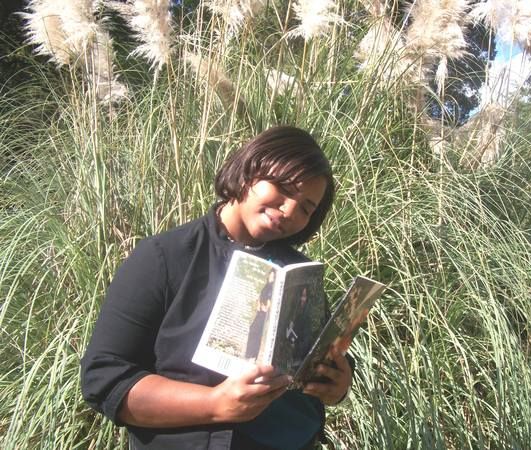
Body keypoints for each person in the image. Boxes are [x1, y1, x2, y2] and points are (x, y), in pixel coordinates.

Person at [80, 126, 353, 450]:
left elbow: (316, 362)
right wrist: (215, 403)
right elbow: (104, 378)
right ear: (249, 170)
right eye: (283, 188)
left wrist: (338, 385)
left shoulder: (298, 275)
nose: (290, 210)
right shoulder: (165, 257)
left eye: (306, 208)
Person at [245, 269, 275, 361]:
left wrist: (265, 308)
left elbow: (269, 301)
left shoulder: (271, 288)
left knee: (256, 332)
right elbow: (260, 296)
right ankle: (250, 354)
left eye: (273, 276)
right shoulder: (266, 285)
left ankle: (253, 355)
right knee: (253, 330)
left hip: (263, 314)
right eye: (270, 275)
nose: (271, 277)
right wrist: (258, 305)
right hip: (260, 312)